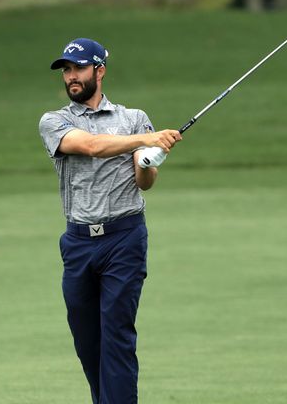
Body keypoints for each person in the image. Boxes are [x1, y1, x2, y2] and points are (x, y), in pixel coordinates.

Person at [38, 37, 182, 404]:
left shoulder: (133, 119)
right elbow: (89, 146)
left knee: (116, 335)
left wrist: (149, 161)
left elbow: (143, 183)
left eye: (79, 68)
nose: (71, 76)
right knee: (88, 342)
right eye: (67, 70)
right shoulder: (56, 121)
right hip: (79, 242)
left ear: (99, 71)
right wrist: (147, 138)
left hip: (124, 237)